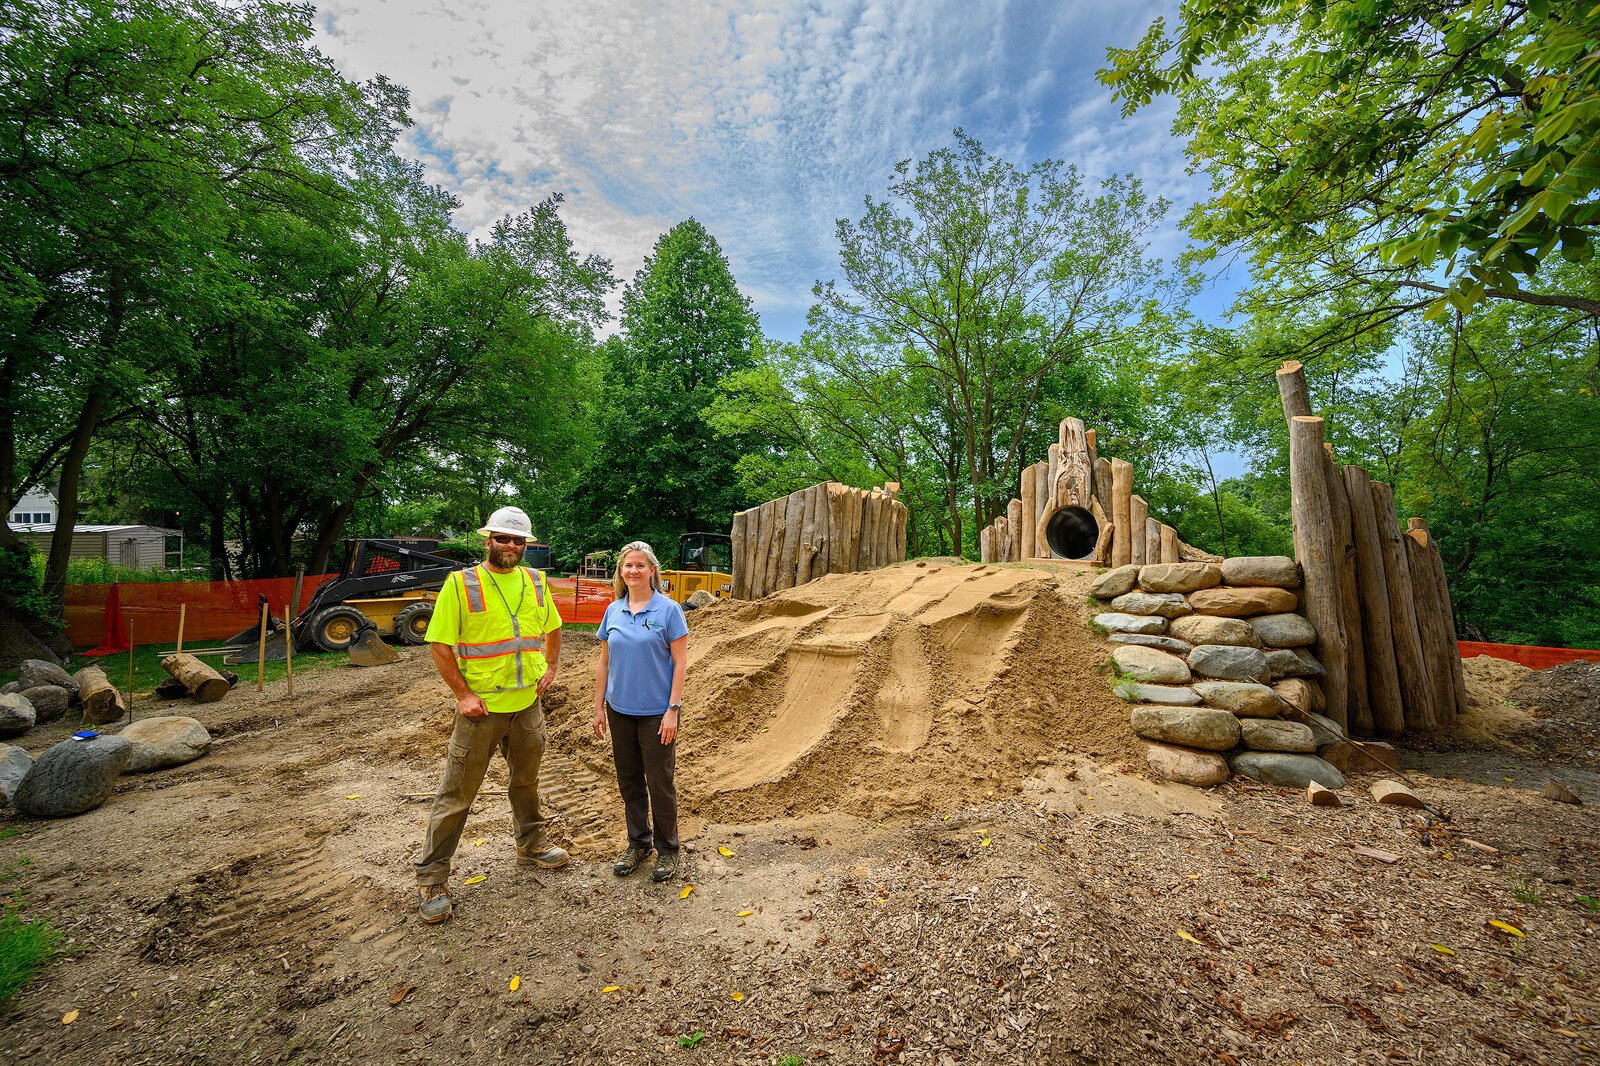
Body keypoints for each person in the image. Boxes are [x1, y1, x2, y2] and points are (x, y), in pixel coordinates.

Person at [414, 505, 568, 924]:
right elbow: (440, 644)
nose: (511, 546)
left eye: (519, 540)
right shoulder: (461, 584)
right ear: (488, 541)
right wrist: (462, 694)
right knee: (457, 793)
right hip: (482, 708)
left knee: (526, 781)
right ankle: (432, 876)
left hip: (526, 705)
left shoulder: (536, 581)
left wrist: (551, 667)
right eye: (504, 538)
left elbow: (552, 627)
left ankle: (532, 843)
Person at [592, 540, 688, 882]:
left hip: (656, 714)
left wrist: (672, 710)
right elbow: (605, 661)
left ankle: (668, 849)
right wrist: (599, 706)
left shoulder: (669, 610)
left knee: (660, 782)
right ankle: (639, 843)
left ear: (652, 571)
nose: (633, 570)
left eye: (639, 565)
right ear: (621, 571)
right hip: (619, 711)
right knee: (629, 781)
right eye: (627, 565)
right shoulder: (613, 610)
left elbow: (680, 664)